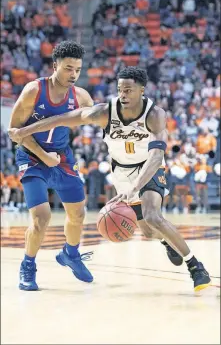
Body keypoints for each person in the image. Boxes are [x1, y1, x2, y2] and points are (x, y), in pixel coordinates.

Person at [9, 67, 211, 291]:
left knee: (153, 216)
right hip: (121, 173)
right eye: (120, 90)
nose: (123, 95)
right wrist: (25, 130)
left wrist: (135, 186)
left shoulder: (155, 115)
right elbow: (63, 119)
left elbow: (156, 157)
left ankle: (196, 267)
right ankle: (166, 241)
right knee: (147, 231)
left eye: (128, 90)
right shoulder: (106, 112)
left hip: (149, 168)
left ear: (142, 90)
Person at [8, 41, 95, 291]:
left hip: (63, 157)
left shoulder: (80, 96)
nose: (74, 75)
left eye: (78, 70)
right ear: (55, 65)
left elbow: (104, 122)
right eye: (68, 68)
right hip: (32, 157)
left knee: (78, 214)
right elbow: (15, 132)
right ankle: (28, 265)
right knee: (42, 218)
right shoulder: (33, 90)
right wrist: (43, 155)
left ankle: (70, 253)